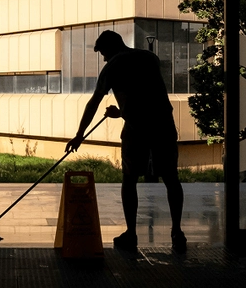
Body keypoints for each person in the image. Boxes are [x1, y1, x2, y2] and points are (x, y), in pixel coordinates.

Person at [65, 30, 187, 253]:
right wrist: (121, 112)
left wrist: (80, 135)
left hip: (136, 130)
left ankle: (131, 234)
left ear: (110, 48)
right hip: (163, 125)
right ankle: (177, 232)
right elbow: (148, 98)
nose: (103, 58)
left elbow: (94, 102)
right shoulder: (150, 58)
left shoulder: (113, 66)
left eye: (103, 53)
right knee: (171, 178)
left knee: (129, 180)